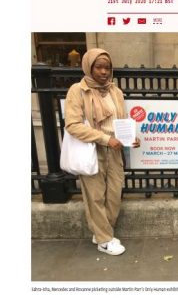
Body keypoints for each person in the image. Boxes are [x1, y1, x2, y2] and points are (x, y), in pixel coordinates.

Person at [64, 48, 140, 256]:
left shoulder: (116, 92)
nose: (104, 72)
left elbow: (122, 121)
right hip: (92, 149)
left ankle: (101, 231)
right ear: (89, 67)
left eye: (107, 67)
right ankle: (105, 239)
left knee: (115, 194)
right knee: (95, 196)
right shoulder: (77, 91)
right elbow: (73, 124)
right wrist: (105, 138)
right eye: (99, 67)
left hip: (114, 150)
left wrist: (130, 138)